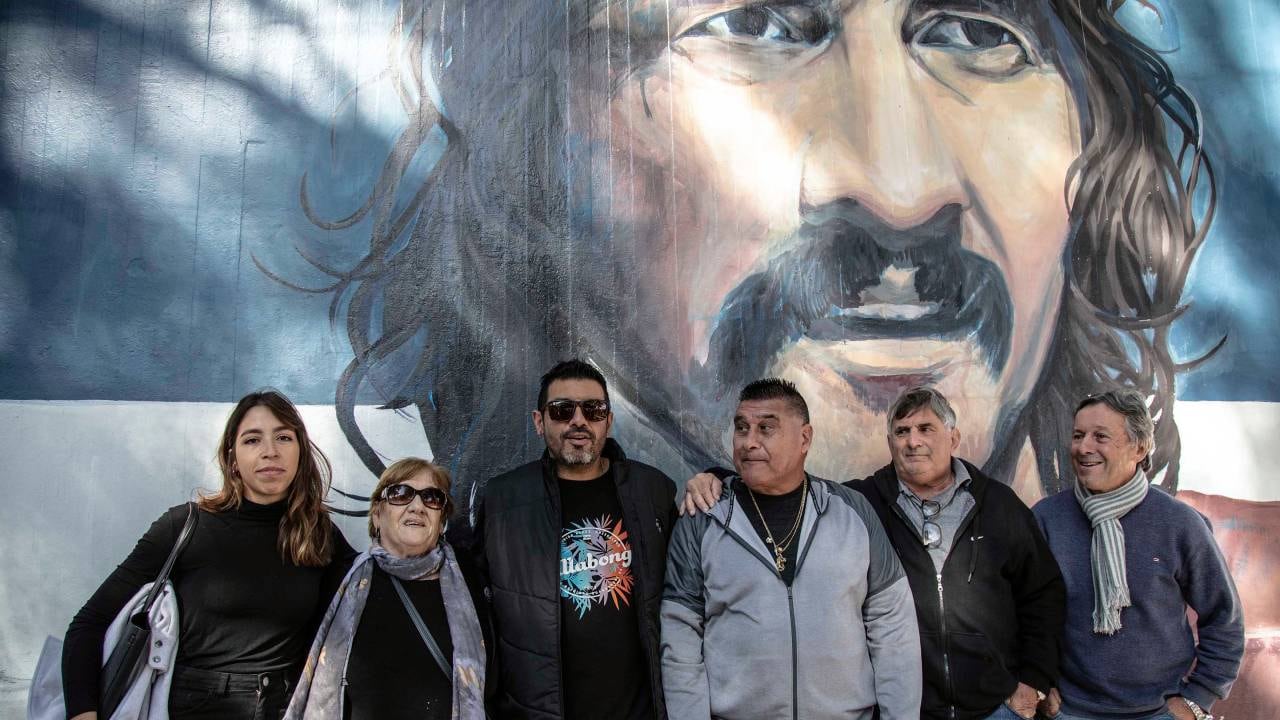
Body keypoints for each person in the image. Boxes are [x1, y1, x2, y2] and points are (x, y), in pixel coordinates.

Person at [311, 0, 1215, 509]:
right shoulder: (543, 535)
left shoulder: (1153, 575)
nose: (900, 191)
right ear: (547, 130)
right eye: (756, 26)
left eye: (978, 36)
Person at [677, 385, 1065, 719]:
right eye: (901, 431)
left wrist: (1034, 680)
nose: (913, 441)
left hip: (993, 706)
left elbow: (1042, 593)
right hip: (914, 707)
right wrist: (718, 477)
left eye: (925, 428)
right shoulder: (862, 503)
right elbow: (784, 485)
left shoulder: (998, 505)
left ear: (953, 437)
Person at [62, 389, 358, 719]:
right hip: (194, 707)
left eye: (284, 437)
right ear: (232, 458)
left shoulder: (319, 534)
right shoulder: (184, 526)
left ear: (300, 451)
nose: (270, 452)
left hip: (285, 706)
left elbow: (368, 601)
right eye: (252, 440)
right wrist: (83, 713)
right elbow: (88, 625)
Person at [662, 378, 920, 719]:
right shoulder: (702, 519)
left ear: (804, 438)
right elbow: (680, 639)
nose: (748, 442)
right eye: (742, 428)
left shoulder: (851, 511)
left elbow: (892, 626)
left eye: (766, 428)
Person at [455, 359, 677, 719]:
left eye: (593, 409)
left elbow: (690, 589)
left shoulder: (654, 491)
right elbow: (467, 603)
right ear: (539, 422)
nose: (579, 421)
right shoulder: (502, 501)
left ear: (608, 420)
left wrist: (714, 478)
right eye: (562, 410)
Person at [1033, 389, 1244, 720]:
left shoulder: (1179, 523)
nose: (1083, 447)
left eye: (1100, 436)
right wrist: (1039, 683)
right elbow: (1019, 615)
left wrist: (1195, 700)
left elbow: (1224, 619)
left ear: (1140, 448)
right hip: (1069, 712)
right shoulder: (1046, 519)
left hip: (1161, 711)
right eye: (1078, 435)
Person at [284, 458, 490, 720]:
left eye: (432, 498)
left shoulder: (472, 583)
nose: (417, 506)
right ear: (377, 515)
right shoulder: (341, 581)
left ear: (441, 522)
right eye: (400, 494)